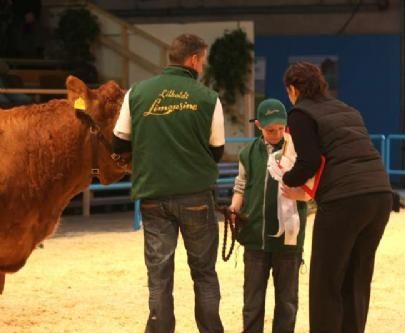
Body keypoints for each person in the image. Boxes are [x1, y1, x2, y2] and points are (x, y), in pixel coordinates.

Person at [112, 34, 225, 333]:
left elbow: (118, 142)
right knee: (204, 274)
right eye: (203, 59)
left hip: (153, 195)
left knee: (159, 275)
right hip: (196, 197)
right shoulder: (208, 98)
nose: (203, 65)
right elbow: (217, 151)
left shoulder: (136, 93)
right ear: (193, 60)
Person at [281, 62, 393, 333]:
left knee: (325, 281)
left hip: (345, 201)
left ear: (293, 90)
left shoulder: (300, 113)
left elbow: (308, 161)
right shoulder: (348, 110)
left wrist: (286, 179)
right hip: (380, 195)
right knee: (357, 278)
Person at [229, 98, 308, 333]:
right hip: (254, 236)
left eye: (281, 129)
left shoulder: (298, 152)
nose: (276, 134)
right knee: (252, 302)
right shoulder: (247, 154)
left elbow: (310, 191)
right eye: (270, 130)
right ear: (259, 126)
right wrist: (234, 208)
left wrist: (300, 195)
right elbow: (241, 185)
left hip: (289, 239)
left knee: (287, 302)